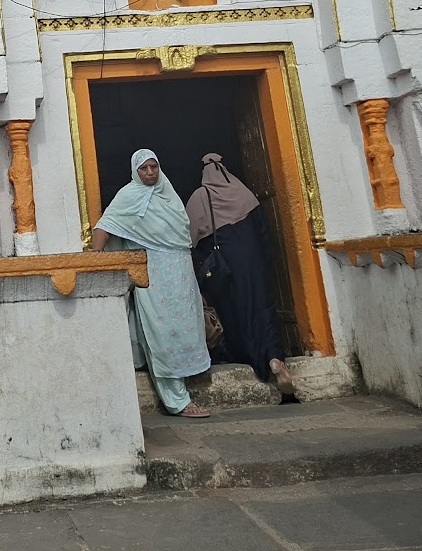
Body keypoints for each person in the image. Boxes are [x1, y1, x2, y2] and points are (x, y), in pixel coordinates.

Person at [91, 149, 212, 419]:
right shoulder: (127, 196)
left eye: (153, 167)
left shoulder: (169, 196)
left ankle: (175, 383)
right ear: (135, 171)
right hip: (151, 275)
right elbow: (105, 225)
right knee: (160, 330)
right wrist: (95, 260)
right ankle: (177, 400)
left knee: (182, 326)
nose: (150, 173)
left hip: (179, 276)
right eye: (144, 168)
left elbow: (182, 235)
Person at [186, 152, 295, 399]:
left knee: (233, 313)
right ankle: (274, 357)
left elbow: (189, 239)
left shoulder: (200, 197)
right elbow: (264, 233)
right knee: (261, 307)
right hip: (252, 265)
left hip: (224, 269)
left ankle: (245, 357)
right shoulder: (243, 193)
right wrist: (262, 262)